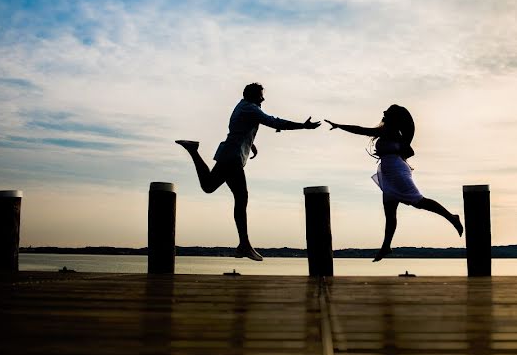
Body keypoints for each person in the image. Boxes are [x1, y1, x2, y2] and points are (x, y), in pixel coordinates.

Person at [176, 83, 320, 261]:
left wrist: (251, 143)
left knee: (209, 186)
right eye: (261, 95)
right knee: (241, 197)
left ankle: (193, 150)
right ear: (253, 96)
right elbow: (273, 121)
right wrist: (303, 126)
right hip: (233, 157)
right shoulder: (251, 109)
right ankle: (244, 245)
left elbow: (239, 129)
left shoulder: (242, 107)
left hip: (229, 154)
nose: (263, 99)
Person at [325, 105, 463, 261]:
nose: (384, 115)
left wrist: (339, 126)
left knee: (418, 201)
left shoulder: (389, 131)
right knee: (390, 212)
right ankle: (386, 247)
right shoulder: (390, 132)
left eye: (388, 114)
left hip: (397, 171)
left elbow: (361, 130)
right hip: (388, 172)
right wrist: (339, 126)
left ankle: (452, 217)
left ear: (393, 118)